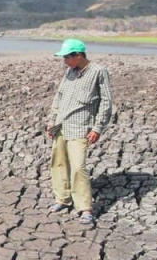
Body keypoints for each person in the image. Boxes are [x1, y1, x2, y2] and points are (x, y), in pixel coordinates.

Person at [46, 39, 113, 224]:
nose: (64, 61)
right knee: (58, 164)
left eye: (66, 57)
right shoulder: (69, 72)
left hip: (81, 127)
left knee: (78, 168)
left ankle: (85, 208)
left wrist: (97, 127)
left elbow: (106, 102)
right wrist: (51, 121)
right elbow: (58, 97)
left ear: (78, 56)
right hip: (61, 126)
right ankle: (63, 199)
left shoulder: (98, 72)